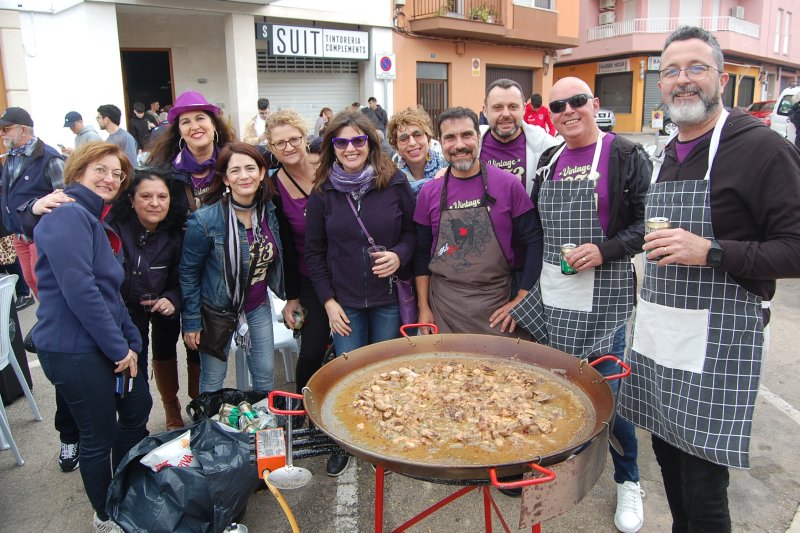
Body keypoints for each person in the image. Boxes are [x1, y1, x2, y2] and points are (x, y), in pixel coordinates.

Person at [619, 26, 800, 532]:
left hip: (717, 341)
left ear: (722, 77)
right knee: (670, 467)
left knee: (703, 487)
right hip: (659, 335)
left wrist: (712, 251)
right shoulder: (666, 152)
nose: (682, 80)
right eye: (671, 70)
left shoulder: (759, 148)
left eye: (696, 68)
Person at [510, 78, 651, 531]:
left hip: (605, 294)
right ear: (548, 113)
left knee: (608, 397)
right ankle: (558, 467)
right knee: (552, 391)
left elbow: (650, 225)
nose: (568, 110)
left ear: (594, 104)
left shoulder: (626, 156)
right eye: (557, 105)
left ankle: (629, 481)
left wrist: (606, 249)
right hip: (555, 293)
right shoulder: (549, 159)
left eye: (576, 101)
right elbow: (537, 228)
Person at [32, 141, 150, 533]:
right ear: (79, 169)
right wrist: (120, 349)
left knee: (134, 412)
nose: (111, 179)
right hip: (73, 349)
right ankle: (106, 516)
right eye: (101, 169)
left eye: (118, 174)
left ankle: (124, 489)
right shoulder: (67, 216)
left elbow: (109, 293)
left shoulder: (92, 217)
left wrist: (131, 341)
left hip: (103, 343)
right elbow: (79, 290)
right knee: (96, 436)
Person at [305, 110, 415, 476]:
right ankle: (344, 440)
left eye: (358, 140)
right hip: (344, 303)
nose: (350, 148)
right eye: (341, 142)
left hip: (386, 300)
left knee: (383, 373)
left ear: (370, 142)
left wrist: (399, 255)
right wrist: (328, 301)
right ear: (331, 147)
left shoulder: (395, 182)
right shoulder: (323, 193)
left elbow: (414, 236)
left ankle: (383, 440)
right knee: (347, 375)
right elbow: (314, 253)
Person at [413, 106, 543, 337]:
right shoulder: (429, 192)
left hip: (497, 309)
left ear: (478, 137)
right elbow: (421, 254)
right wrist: (424, 308)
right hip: (444, 309)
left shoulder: (508, 184)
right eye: (450, 138)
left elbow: (535, 240)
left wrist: (522, 298)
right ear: (439, 143)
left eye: (466, 135)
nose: (459, 145)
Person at [145, 90, 237, 399]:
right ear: (179, 129)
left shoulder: (231, 163)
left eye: (201, 118)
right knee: (164, 336)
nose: (195, 126)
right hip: (171, 269)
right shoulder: (164, 170)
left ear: (213, 124)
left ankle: (198, 405)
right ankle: (171, 410)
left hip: (215, 269)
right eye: (186, 121)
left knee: (199, 341)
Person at [0, 106, 78, 473]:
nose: (4, 134)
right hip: (21, 236)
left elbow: (61, 200)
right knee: (37, 292)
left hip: (39, 237)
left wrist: (35, 212)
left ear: (25, 129)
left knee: (51, 294)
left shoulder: (49, 158)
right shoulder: (11, 158)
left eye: (8, 129)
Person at [180, 142, 286, 394]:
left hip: (257, 305)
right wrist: (192, 322)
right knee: (213, 381)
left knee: (265, 376)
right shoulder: (205, 219)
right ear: (226, 178)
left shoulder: (269, 211)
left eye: (250, 168)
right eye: (235, 170)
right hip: (216, 309)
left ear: (262, 174)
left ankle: (263, 428)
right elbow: (188, 273)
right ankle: (209, 430)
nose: (244, 176)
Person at [108, 167, 187, 430]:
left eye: (162, 197)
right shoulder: (113, 229)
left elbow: (181, 276)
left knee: (165, 350)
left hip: (162, 305)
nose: (155, 203)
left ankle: (171, 406)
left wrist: (172, 298)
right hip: (126, 310)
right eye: (146, 196)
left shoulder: (174, 233)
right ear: (131, 199)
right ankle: (134, 425)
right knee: (134, 365)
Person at [264, 109, 330, 399]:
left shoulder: (331, 168)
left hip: (348, 271)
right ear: (271, 148)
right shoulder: (273, 188)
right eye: (280, 143)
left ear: (306, 138)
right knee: (313, 348)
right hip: (309, 278)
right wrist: (291, 296)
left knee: (354, 346)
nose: (289, 147)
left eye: (294, 139)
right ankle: (304, 410)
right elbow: (286, 249)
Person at [386, 105, 447, 198]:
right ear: (397, 148)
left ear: (429, 140)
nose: (412, 143)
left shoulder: (449, 171)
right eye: (404, 138)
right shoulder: (392, 182)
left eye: (417, 134)